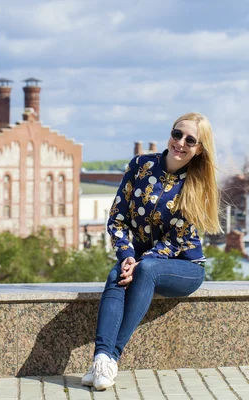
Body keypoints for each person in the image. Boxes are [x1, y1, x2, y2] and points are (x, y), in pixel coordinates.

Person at [81, 112, 222, 390]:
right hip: (141, 260)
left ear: (199, 149)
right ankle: (100, 359)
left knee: (146, 269)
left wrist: (140, 261)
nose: (180, 142)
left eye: (190, 140)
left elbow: (176, 240)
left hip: (184, 268)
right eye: (176, 134)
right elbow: (117, 218)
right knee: (116, 276)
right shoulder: (141, 166)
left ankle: (111, 357)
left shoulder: (196, 184)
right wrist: (126, 255)